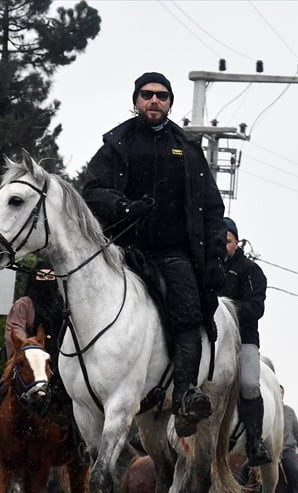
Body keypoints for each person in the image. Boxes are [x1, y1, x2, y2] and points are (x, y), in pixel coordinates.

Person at [82, 71, 229, 443]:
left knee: (188, 314)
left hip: (173, 253)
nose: (154, 101)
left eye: (162, 96)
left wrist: (213, 258)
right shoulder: (117, 143)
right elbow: (92, 190)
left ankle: (184, 394)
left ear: (170, 103)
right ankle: (58, 384)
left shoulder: (188, 148)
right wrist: (123, 207)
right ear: (135, 100)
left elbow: (212, 207)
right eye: (147, 95)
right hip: (120, 251)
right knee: (64, 297)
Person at [0, 263, 64, 474]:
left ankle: (82, 445)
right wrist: (30, 349)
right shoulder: (24, 305)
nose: (45, 281)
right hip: (27, 364)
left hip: (59, 365)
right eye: (41, 277)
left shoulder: (62, 305)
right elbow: (15, 330)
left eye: (50, 277)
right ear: (33, 279)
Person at [216, 217, 270, 467]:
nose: (222, 245)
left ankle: (255, 441)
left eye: (227, 241)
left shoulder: (251, 271)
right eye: (219, 240)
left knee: (249, 384)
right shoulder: (206, 267)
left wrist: (225, 310)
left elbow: (256, 308)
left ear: (236, 242)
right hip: (210, 339)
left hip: (243, 340)